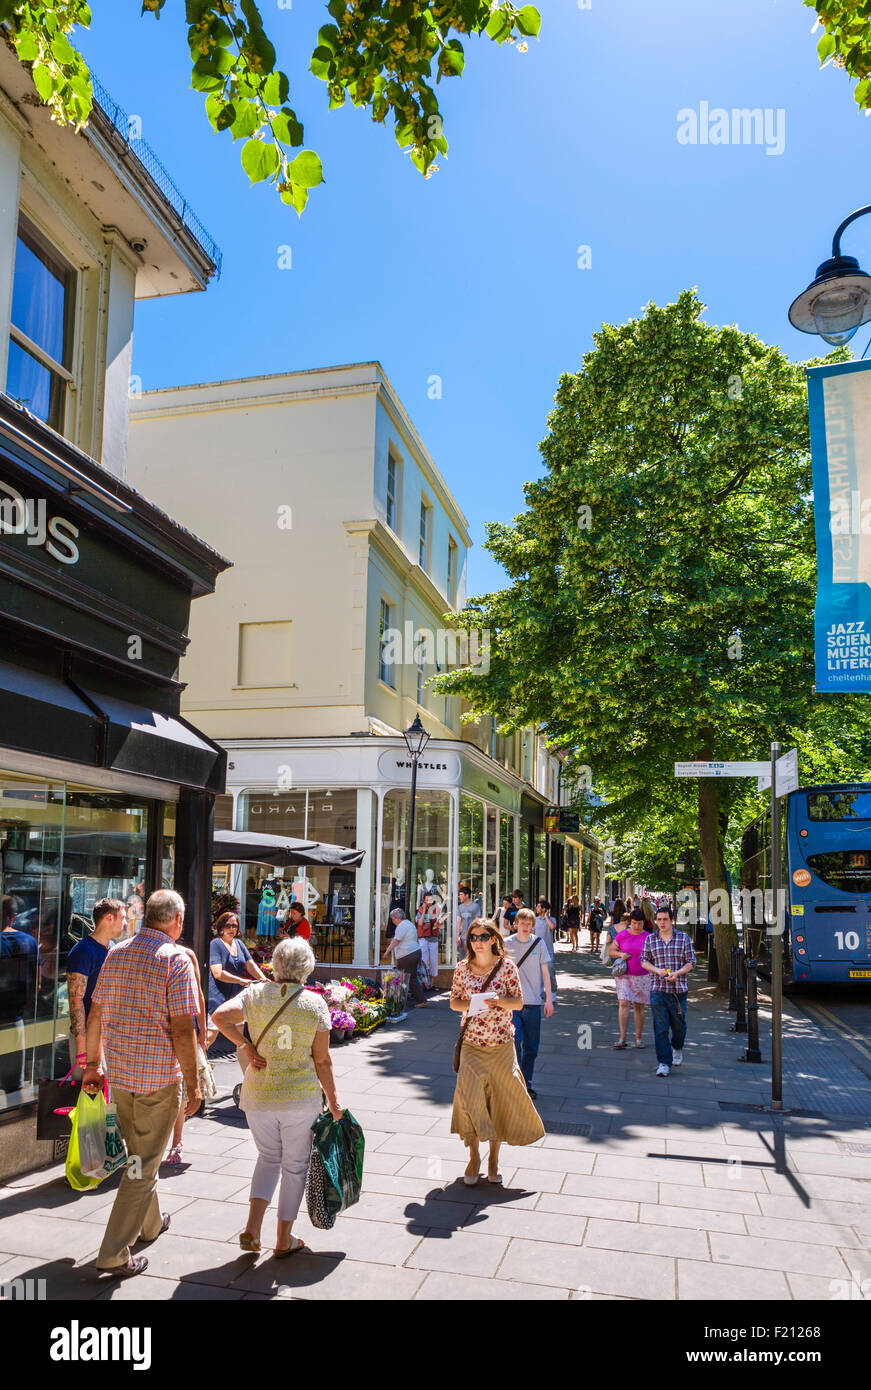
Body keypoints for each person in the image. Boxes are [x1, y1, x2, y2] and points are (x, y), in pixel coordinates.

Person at [82, 889, 201, 1278]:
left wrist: (93, 1065)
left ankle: (150, 1224)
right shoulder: (176, 960)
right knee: (143, 1168)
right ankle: (114, 1253)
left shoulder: (116, 953)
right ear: (177, 921)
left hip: (122, 1076)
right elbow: (184, 1030)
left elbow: (96, 1011)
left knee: (140, 1158)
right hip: (158, 1080)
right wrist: (194, 1082)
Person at [211, 936, 342, 1258]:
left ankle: (253, 1227)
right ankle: (284, 1237)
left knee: (268, 1159)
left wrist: (245, 1045)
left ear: (277, 964)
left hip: (259, 1096)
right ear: (306, 968)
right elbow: (322, 1060)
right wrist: (335, 1102)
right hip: (300, 1097)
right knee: (294, 1166)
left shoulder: (255, 994)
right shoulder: (314, 1003)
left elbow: (219, 1017)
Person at [450, 918, 544, 1184]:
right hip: (471, 1043)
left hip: (501, 1043)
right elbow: (454, 1003)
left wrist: (497, 1001)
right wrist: (472, 1004)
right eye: (473, 937)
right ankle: (473, 1157)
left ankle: (493, 1158)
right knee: (471, 1099)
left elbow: (518, 1002)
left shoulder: (506, 967)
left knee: (499, 1101)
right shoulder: (461, 968)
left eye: (482, 936)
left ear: (493, 939)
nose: (477, 942)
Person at [66, 898, 127, 1077]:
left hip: (111, 1036)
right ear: (109, 918)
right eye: (122, 917)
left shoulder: (114, 949)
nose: (125, 923)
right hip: (88, 1038)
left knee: (109, 1098)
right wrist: (81, 1045)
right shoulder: (83, 951)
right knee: (88, 1094)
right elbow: (75, 999)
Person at [165, 937, 210, 1164]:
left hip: (185, 1025)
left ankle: (177, 1141)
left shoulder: (187, 954)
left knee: (181, 1087)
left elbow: (198, 994)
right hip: (162, 1028)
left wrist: (202, 1029)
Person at [641, 904, 696, 1077]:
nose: (662, 923)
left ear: (672, 920)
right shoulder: (651, 939)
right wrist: (656, 970)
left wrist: (678, 973)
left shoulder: (683, 938)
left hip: (678, 990)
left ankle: (677, 1047)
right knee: (660, 1027)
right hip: (657, 989)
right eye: (659, 920)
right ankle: (664, 1062)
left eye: (665, 919)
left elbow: (691, 962)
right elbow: (644, 960)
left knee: (679, 1025)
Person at [503, 907, 553, 1098]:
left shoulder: (539, 944)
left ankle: (527, 1082)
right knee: (515, 1041)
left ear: (533, 925)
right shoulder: (506, 943)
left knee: (531, 1047)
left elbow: (546, 974)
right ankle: (515, 1081)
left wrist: (549, 1000)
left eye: (528, 924)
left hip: (533, 1003)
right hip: (512, 1003)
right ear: (516, 924)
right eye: (522, 923)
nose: (525, 927)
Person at [0, 894, 38, 1100]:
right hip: (15, 1020)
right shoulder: (30, 942)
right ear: (13, 917)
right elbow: (36, 984)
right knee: (14, 1088)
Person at [608, 907, 652, 1049]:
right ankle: (622, 1038)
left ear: (643, 923)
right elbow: (611, 951)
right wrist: (621, 954)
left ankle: (638, 1038)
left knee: (639, 1006)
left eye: (639, 923)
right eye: (633, 923)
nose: (636, 926)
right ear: (629, 922)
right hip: (624, 975)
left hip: (642, 976)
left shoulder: (648, 937)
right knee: (623, 1004)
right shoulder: (622, 935)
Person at [382, 908, 428, 1007]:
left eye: (393, 919)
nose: (393, 922)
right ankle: (401, 998)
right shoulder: (409, 924)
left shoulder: (402, 926)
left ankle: (420, 1001)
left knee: (407, 978)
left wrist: (387, 952)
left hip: (407, 954)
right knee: (409, 977)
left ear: (397, 918)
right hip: (413, 952)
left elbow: (396, 940)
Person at [415, 891, 441, 990]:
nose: (429, 901)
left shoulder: (436, 909)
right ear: (424, 900)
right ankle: (424, 984)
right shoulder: (420, 910)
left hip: (433, 938)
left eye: (430, 899)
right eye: (427, 900)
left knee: (434, 961)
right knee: (424, 960)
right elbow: (420, 923)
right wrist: (424, 909)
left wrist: (438, 924)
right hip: (423, 938)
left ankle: (432, 984)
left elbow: (440, 924)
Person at [534, 897, 558, 999]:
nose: (537, 908)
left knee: (550, 972)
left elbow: (552, 927)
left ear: (544, 909)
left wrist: (546, 916)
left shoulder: (552, 919)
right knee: (538, 974)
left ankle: (553, 991)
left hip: (548, 951)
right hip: (537, 951)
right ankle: (539, 994)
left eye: (539, 906)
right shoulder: (534, 920)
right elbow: (533, 934)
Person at [456, 885, 481, 957]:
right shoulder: (460, 907)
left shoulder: (476, 906)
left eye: (461, 895)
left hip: (472, 938)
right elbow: (459, 923)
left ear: (467, 895)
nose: (459, 896)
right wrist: (457, 936)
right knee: (462, 960)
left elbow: (477, 923)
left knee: (471, 959)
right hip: (462, 938)